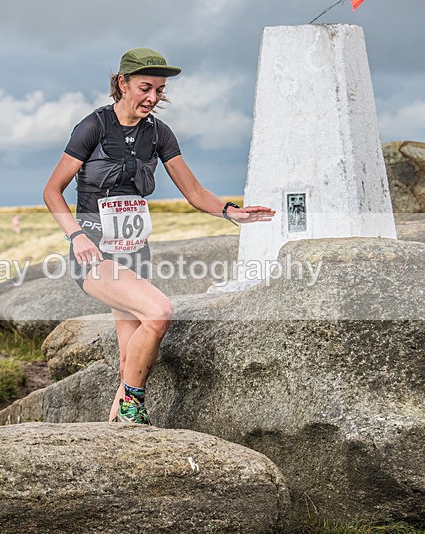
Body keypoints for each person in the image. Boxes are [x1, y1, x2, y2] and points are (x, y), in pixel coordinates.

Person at [43, 48, 275, 425]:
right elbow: (52, 191)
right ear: (122, 83)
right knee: (159, 312)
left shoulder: (159, 133)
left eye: (159, 91)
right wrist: (76, 237)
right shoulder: (93, 127)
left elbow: (195, 192)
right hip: (94, 254)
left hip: (135, 254)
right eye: (145, 88)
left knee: (128, 359)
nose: (152, 98)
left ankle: (118, 432)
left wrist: (233, 212)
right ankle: (134, 407)